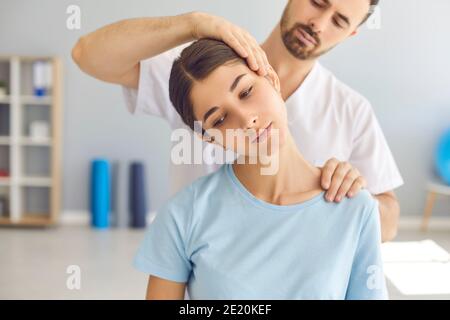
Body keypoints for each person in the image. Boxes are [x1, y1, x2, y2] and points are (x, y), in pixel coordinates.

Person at [72, 0, 403, 241]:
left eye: (340, 21)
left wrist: (355, 194)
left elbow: (388, 221)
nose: (319, 23)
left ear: (352, 33)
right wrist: (192, 23)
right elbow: (87, 55)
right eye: (317, 3)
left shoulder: (351, 110)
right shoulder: (198, 77)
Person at [134, 39, 388, 300]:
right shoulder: (182, 215)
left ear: (271, 79)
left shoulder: (355, 207)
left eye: (245, 92)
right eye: (219, 119)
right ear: (208, 137)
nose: (246, 120)